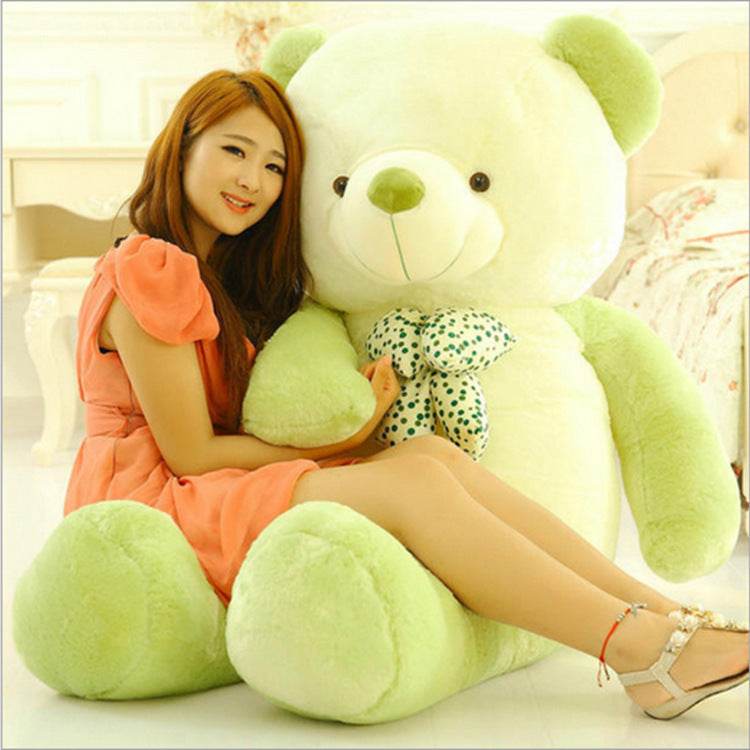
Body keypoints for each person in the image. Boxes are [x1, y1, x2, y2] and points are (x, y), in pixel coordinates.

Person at [66, 69, 748, 721]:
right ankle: (637, 651)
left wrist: (362, 437)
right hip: (153, 497)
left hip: (204, 485)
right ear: (181, 147)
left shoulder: (214, 275)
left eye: (275, 166)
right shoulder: (152, 267)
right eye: (234, 150)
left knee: (429, 455)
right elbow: (190, 452)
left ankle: (665, 616)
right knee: (413, 485)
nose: (253, 180)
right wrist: (348, 443)